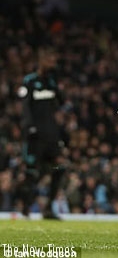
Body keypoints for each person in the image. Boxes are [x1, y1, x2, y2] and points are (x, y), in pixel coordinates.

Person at [18, 46, 65, 219]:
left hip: (51, 136)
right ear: (41, 61)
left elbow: (61, 102)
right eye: (50, 60)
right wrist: (29, 128)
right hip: (35, 136)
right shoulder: (29, 81)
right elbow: (24, 107)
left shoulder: (51, 82)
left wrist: (56, 83)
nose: (53, 63)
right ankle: (25, 207)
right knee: (31, 173)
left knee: (59, 168)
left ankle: (47, 208)